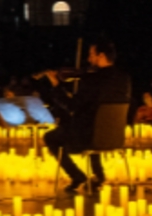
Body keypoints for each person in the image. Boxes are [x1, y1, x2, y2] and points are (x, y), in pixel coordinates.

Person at [43, 38, 131, 193]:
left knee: (51, 137)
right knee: (93, 122)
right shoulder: (124, 78)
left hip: (88, 138)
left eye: (91, 54)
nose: (88, 59)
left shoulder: (91, 79)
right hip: (115, 136)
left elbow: (71, 106)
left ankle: (77, 176)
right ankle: (98, 175)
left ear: (101, 56)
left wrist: (56, 85)